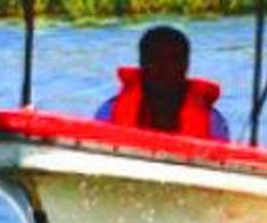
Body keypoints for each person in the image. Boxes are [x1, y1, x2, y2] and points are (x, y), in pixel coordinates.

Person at [95, 25, 230, 141]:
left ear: (186, 65)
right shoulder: (109, 112)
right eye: (156, 60)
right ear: (142, 63)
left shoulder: (213, 121)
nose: (164, 68)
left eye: (173, 60)